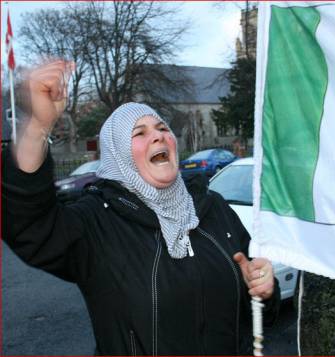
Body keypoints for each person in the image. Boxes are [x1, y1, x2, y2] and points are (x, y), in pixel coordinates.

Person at [2, 60, 280, 356]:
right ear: (119, 156)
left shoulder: (214, 209)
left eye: (162, 127)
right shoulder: (97, 222)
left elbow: (257, 315)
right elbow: (27, 223)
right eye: (139, 133)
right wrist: (36, 128)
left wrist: (264, 290)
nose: (158, 135)